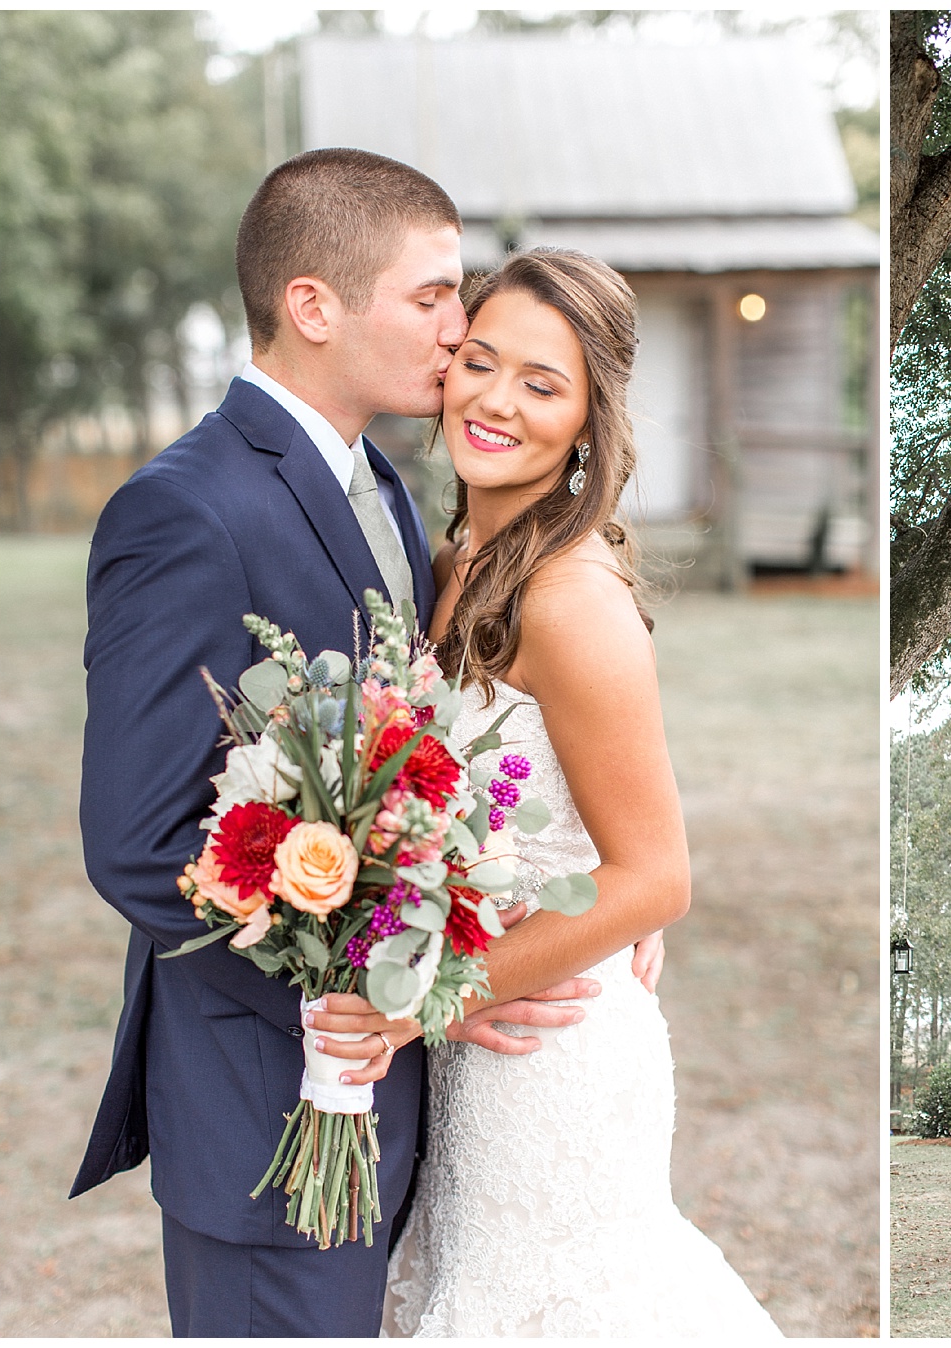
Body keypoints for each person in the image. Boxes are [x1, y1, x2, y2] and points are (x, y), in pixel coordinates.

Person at [71, 149, 624, 1338]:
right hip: (270, 1108)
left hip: (402, 1110)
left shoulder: (381, 481)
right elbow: (137, 843)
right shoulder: (185, 509)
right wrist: (387, 995)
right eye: (432, 296)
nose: (459, 326)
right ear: (313, 306)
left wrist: (580, 887)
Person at [356, 248, 781, 1336]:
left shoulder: (571, 594)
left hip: (552, 1054)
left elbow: (657, 877)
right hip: (475, 1042)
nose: (496, 401)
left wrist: (428, 1001)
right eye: (481, 363)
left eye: (541, 384)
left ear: (590, 419)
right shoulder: (451, 563)